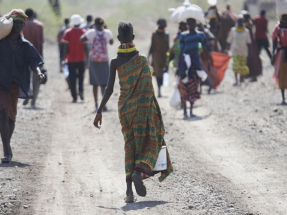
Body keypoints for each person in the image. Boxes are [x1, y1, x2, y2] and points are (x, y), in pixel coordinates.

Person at [93, 22, 173, 203]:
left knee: (130, 147)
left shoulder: (115, 62)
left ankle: (129, 192)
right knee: (151, 140)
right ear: (133, 38)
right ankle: (138, 171)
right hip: (144, 109)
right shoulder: (142, 60)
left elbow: (109, 89)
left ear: (119, 39)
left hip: (126, 110)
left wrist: (99, 111)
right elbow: (148, 89)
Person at [0, 10, 45, 163]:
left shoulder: (26, 45)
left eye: (21, 23)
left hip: (14, 85)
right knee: (3, 114)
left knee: (11, 118)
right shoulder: (1, 42)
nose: (19, 25)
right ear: (12, 24)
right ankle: (7, 151)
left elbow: (34, 61)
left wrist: (39, 73)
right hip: (1, 83)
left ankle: (7, 143)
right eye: (16, 22)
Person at [178, 17, 210, 118]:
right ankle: (184, 111)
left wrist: (208, 60)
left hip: (195, 63)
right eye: (189, 23)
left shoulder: (200, 35)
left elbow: (205, 48)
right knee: (184, 86)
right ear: (187, 24)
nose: (191, 24)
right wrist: (179, 65)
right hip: (185, 63)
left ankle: (191, 111)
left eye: (193, 23)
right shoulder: (183, 35)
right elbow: (181, 51)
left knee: (193, 86)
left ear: (195, 24)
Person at [81, 17, 113, 112]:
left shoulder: (91, 32)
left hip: (94, 60)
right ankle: (104, 105)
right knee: (104, 84)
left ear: (94, 24)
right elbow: (111, 42)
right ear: (103, 24)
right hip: (104, 60)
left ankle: (96, 105)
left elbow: (82, 39)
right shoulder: (107, 32)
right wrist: (106, 29)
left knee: (95, 84)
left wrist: (90, 31)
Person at [22, 8, 44, 108]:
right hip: (36, 55)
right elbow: (41, 43)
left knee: (25, 76)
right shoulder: (39, 25)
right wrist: (41, 57)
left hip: (24, 55)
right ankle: (34, 101)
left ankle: (28, 92)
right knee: (36, 78)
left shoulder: (21, 25)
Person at [62, 14, 86, 103]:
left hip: (71, 59)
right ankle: (81, 91)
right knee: (81, 76)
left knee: (72, 78)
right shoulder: (83, 31)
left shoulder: (68, 32)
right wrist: (86, 58)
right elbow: (86, 47)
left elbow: (66, 46)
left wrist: (64, 57)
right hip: (81, 58)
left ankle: (74, 97)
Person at [226, 16, 251, 85]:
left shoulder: (246, 31)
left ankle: (241, 79)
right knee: (236, 65)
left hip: (243, 51)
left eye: (241, 22)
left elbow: (249, 42)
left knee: (242, 66)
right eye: (239, 22)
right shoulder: (233, 30)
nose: (240, 23)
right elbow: (229, 40)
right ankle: (236, 80)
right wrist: (227, 49)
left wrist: (250, 51)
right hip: (235, 51)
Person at [148, 19, 169, 97]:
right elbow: (152, 45)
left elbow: (168, 47)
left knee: (163, 72)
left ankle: (160, 86)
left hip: (164, 56)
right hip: (156, 56)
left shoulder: (166, 34)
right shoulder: (155, 34)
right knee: (157, 73)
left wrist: (168, 58)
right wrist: (148, 55)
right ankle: (159, 89)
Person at [242, 10, 262, 82]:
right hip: (250, 43)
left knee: (251, 60)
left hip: (249, 44)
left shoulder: (248, 25)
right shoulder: (247, 24)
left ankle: (252, 75)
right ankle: (246, 75)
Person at [272, 14, 287, 105]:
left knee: (282, 75)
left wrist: (273, 54)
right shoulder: (278, 28)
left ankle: (283, 98)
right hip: (282, 53)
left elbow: (274, 41)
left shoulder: (278, 28)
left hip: (281, 53)